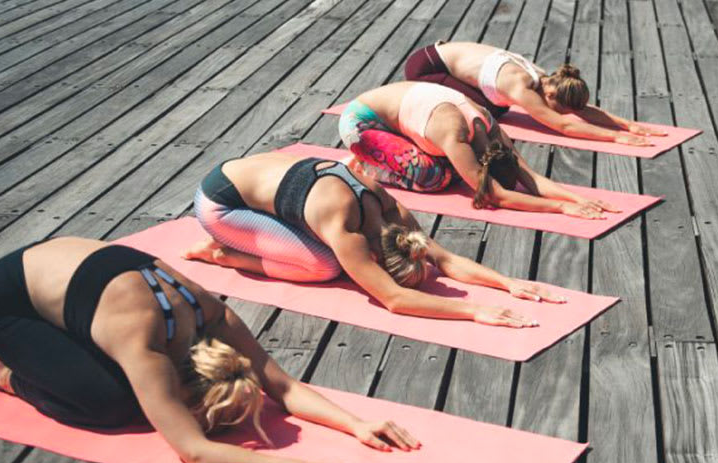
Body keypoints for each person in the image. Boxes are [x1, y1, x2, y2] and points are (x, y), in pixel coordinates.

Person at [0, 237, 419, 463]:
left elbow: (282, 386)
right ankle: (7, 373)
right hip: (5, 302)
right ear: (182, 381)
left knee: (126, 386)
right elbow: (195, 453)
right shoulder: (144, 345)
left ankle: (61, 346)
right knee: (112, 405)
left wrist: (357, 424)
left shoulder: (213, 316)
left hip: (72, 275)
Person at [183, 151, 566, 326]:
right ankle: (225, 254)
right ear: (375, 260)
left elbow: (444, 258)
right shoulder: (345, 232)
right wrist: (475, 311)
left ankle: (248, 241)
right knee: (324, 265)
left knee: (325, 254)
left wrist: (507, 283)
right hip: (220, 203)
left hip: (251, 169)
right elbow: (395, 300)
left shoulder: (391, 212)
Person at [339, 81, 618, 219]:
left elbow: (530, 177)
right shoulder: (455, 135)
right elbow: (496, 196)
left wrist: (576, 198)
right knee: (436, 177)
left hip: (402, 114)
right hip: (362, 123)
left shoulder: (488, 123)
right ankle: (368, 165)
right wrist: (561, 208)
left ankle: (393, 154)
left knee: (453, 169)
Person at [404, 41, 666, 145]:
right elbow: (564, 126)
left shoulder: (549, 79)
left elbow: (578, 111)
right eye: (561, 108)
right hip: (426, 66)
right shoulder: (521, 86)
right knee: (489, 113)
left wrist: (627, 125)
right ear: (550, 97)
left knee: (497, 108)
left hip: (442, 56)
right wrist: (616, 138)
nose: (568, 114)